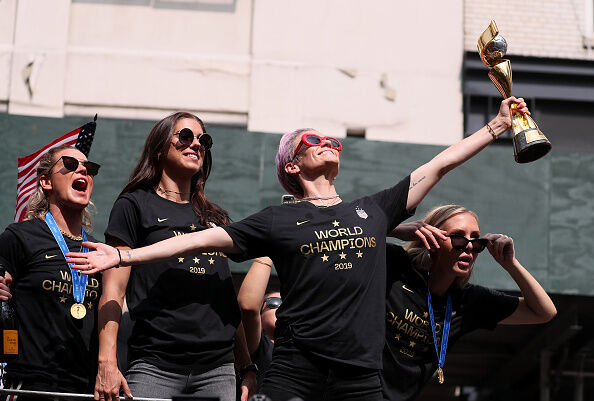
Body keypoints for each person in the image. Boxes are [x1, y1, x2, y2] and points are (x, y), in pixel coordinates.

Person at [68, 97, 530, 401]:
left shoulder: (374, 210)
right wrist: (124, 255)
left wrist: (496, 126)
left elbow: (440, 165)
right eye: (314, 140)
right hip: (295, 373)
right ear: (292, 164)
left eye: (332, 141)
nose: (328, 143)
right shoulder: (277, 219)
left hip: (359, 379)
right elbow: (200, 239)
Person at [92, 112, 255, 401]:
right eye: (185, 136)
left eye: (203, 139)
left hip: (218, 369)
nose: (196, 144)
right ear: (159, 149)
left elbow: (225, 299)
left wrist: (246, 366)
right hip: (155, 366)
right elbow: (113, 292)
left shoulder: (215, 217)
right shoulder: (134, 205)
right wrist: (107, 363)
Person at [382, 206, 557, 400]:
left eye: (476, 241)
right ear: (430, 237)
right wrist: (394, 230)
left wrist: (511, 264)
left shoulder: (468, 301)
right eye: (458, 237)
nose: (469, 247)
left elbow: (544, 312)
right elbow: (345, 234)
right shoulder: (394, 265)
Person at [0, 145, 102, 398]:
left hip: (84, 387)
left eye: (89, 169)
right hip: (31, 383)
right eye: (69, 164)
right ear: (45, 181)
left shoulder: (98, 250)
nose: (82, 170)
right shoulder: (21, 236)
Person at [237, 257, 281, 391]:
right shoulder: (260, 346)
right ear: (260, 319)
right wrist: (267, 253)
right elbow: (248, 307)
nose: (283, 308)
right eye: (275, 303)